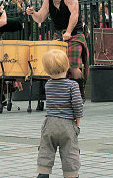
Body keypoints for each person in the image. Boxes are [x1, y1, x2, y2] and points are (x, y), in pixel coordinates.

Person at [26, 0, 89, 102]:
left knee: (73, 64)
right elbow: (40, 18)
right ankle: (63, 93)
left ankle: (80, 94)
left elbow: (75, 14)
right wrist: (33, 13)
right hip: (59, 35)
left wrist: (69, 32)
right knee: (56, 65)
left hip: (75, 33)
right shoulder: (47, 3)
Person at [36, 49, 83, 178]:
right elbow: (77, 104)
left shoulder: (48, 85)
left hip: (50, 122)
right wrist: (78, 119)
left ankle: (43, 172)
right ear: (67, 66)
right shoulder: (72, 85)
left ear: (46, 69)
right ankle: (71, 174)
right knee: (70, 151)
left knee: (46, 149)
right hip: (67, 124)